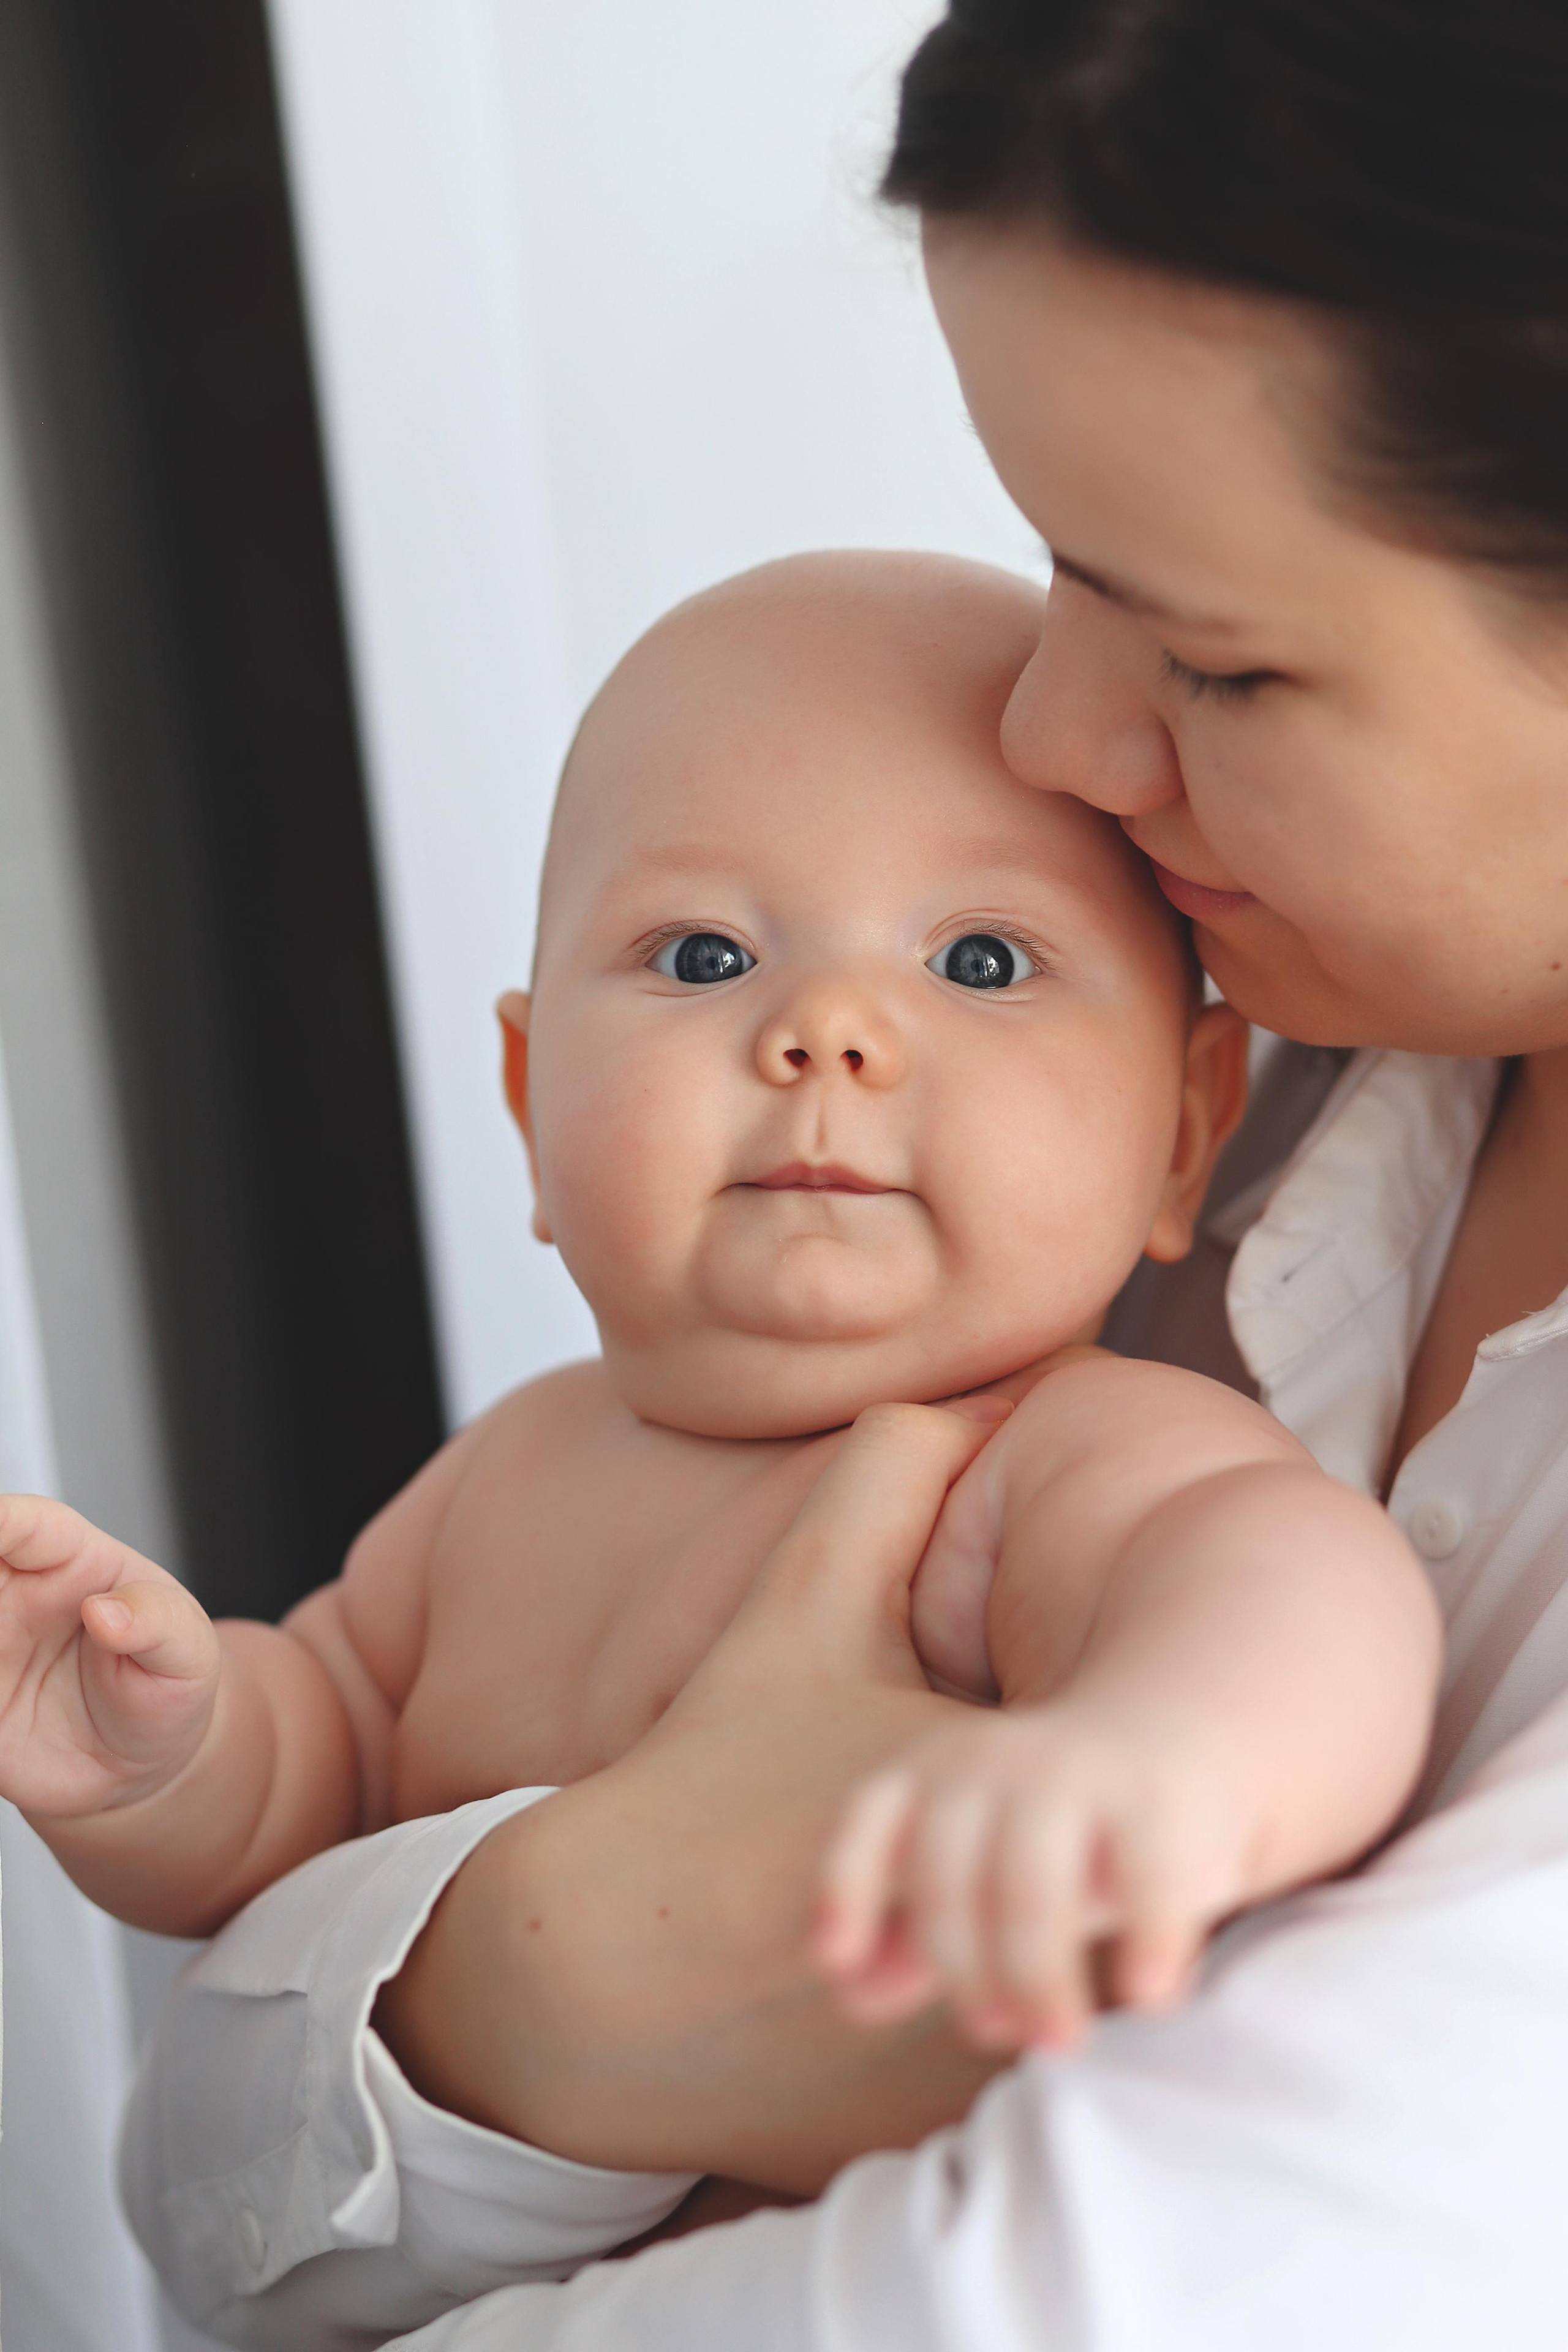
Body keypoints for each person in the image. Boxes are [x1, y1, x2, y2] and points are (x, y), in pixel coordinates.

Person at [121, 0, 1568, 2343]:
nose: (1051, 740)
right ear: (521, 1105)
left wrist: (1129, 1777)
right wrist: (517, 1938)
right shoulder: (1227, 1011)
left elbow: (1091, 2292)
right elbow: (209, 2135)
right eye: (1058, 569)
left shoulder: (1087, 1363)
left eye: (1212, 663)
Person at [0, 552, 1435, 2130]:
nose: (827, 1031)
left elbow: (1304, 1591)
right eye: (705, 957)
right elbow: (298, 1798)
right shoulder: (506, 1478)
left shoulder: (1059, 1451)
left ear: (1184, 1130)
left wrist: (1164, 1767)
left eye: (979, 960)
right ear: (533, 1111)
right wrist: (163, 1755)